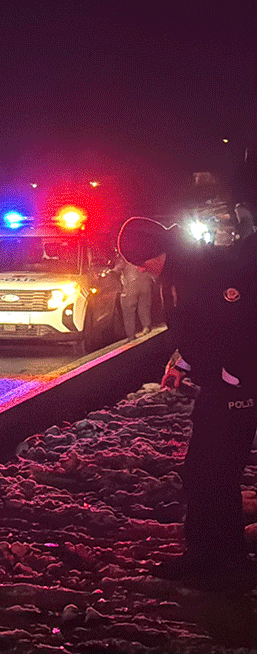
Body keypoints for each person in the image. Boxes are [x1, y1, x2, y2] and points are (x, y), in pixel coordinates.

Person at [118, 211, 257, 592]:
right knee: (204, 470)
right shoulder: (184, 268)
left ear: (152, 252)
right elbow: (199, 330)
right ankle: (210, 554)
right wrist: (182, 363)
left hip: (235, 389)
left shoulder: (201, 271)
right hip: (222, 384)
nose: (143, 270)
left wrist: (234, 376)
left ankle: (225, 561)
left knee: (216, 471)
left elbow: (234, 324)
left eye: (142, 262)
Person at [113, 252, 154, 338]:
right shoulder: (142, 249)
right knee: (144, 306)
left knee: (128, 311)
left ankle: (131, 335)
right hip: (146, 282)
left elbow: (118, 268)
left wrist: (111, 271)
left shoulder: (124, 253)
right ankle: (146, 326)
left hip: (131, 286)